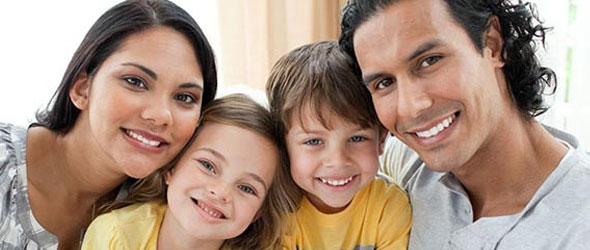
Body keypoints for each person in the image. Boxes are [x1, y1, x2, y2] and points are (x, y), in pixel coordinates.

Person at [339, 0, 590, 249]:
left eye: (430, 61)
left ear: (492, 43)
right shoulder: (409, 169)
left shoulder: (579, 226)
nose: (410, 107)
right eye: (384, 83)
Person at [0, 0, 218, 249]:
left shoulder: (170, 213)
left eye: (184, 97)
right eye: (135, 82)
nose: (160, 115)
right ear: (82, 87)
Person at [81, 94, 299, 250]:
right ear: (171, 167)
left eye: (246, 188)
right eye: (208, 165)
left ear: (258, 213)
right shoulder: (114, 236)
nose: (220, 192)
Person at [266, 41, 412, 250]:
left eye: (357, 138)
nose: (338, 160)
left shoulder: (390, 206)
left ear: (381, 140)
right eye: (314, 141)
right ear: (283, 147)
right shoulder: (277, 212)